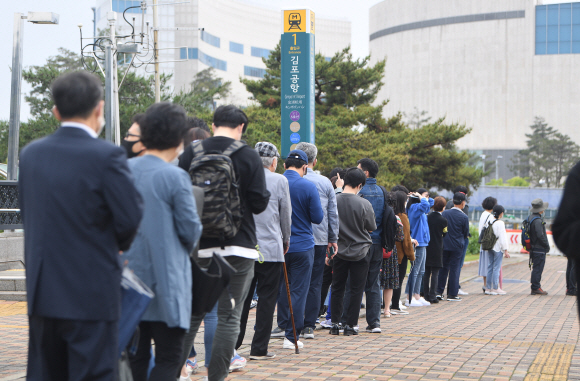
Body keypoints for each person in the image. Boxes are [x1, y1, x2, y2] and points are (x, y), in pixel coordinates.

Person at [19, 71, 143, 380]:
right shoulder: (107, 155)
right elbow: (129, 218)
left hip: (43, 290)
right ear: (99, 108)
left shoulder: (31, 154)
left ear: (55, 112)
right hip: (92, 291)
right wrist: (115, 244)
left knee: (45, 373)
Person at [178, 105, 270, 381]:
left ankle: (175, 371)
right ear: (241, 127)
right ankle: (215, 377)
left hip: (199, 246)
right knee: (229, 316)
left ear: (213, 123)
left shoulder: (191, 152)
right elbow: (258, 203)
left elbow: (181, 196)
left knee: (193, 314)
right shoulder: (247, 155)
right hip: (239, 246)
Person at [122, 103, 201, 381]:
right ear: (179, 138)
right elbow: (190, 231)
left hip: (127, 282)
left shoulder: (121, 170)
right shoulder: (174, 176)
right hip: (166, 283)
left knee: (135, 356)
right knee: (170, 358)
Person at [235, 142, 291, 360]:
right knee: (267, 300)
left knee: (242, 299)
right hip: (271, 247)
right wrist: (286, 239)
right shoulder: (280, 180)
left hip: (244, 247)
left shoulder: (241, 177)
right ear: (274, 162)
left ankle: (233, 345)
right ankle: (259, 349)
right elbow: (285, 214)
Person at [274, 149, 323, 349]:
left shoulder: (275, 183)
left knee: (280, 290)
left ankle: (281, 325)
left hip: (278, 245)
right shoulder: (308, 186)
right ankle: (291, 335)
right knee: (298, 290)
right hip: (302, 245)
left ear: (284, 165)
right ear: (305, 166)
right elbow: (318, 218)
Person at [342, 158, 394, 333]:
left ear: (365, 173)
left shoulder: (359, 191)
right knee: (373, 283)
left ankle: (348, 320)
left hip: (358, 244)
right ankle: (374, 323)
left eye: (358, 169)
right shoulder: (382, 191)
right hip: (378, 243)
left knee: (353, 284)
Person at [295, 142, 339, 340]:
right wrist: (333, 238)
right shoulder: (324, 182)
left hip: (294, 238)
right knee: (315, 282)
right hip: (320, 239)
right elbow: (332, 213)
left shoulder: (289, 180)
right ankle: (309, 325)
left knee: (294, 282)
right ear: (314, 161)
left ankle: (290, 323)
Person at [328, 168, 377, 336]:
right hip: (360, 251)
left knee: (337, 287)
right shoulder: (364, 204)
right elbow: (371, 227)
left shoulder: (334, 200)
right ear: (360, 185)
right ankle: (351, 325)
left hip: (339, 250)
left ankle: (335, 323)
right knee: (356, 289)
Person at [553, 161, 580, 312]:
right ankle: (571, 287)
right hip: (574, 248)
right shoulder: (578, 174)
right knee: (572, 266)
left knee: (571, 266)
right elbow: (562, 231)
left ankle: (570, 287)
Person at [436, 192, 470, 301]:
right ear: (463, 203)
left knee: (443, 268)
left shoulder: (445, 213)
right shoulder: (464, 217)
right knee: (455, 269)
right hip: (457, 246)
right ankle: (452, 294)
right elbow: (466, 233)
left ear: (453, 201)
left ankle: (439, 291)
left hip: (445, 244)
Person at [405, 188, 434, 306]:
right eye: (424, 196)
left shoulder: (421, 208)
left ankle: (416, 295)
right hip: (417, 242)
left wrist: (421, 196)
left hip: (423, 242)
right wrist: (420, 197)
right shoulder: (414, 208)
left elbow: (431, 202)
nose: (427, 198)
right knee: (415, 271)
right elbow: (426, 204)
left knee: (421, 270)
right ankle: (409, 297)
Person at [390, 189, 415, 315]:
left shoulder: (389, 214)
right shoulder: (403, 217)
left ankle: (387, 304)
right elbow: (406, 239)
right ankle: (395, 305)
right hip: (400, 254)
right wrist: (411, 255)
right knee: (398, 280)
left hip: (389, 251)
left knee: (389, 280)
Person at [380, 192, 404, 318]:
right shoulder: (396, 218)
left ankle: (375, 306)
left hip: (378, 249)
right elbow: (400, 237)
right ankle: (387, 309)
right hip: (390, 251)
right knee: (389, 282)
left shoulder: (378, 215)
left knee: (376, 280)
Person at [446, 186, 470, 296]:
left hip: (446, 241)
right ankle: (454, 290)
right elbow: (465, 231)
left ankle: (439, 291)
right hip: (459, 241)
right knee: (456, 267)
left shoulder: (447, 208)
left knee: (444, 267)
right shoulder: (463, 213)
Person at [424, 197, 448, 303]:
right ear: (443, 207)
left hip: (427, 246)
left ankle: (425, 294)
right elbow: (445, 233)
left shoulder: (427, 217)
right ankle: (433, 295)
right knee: (435, 273)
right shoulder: (443, 220)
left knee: (426, 272)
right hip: (438, 247)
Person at [526, 199, 551, 295]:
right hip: (539, 248)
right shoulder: (538, 221)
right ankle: (536, 287)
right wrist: (546, 246)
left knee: (536, 267)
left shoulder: (530, 218)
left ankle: (535, 286)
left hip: (533, 247)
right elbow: (541, 235)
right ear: (540, 210)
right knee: (538, 268)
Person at [485, 204, 510, 295]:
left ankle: (488, 288)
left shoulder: (489, 220)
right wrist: (505, 250)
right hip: (497, 248)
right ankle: (495, 287)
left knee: (490, 266)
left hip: (489, 246)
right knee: (496, 267)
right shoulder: (500, 223)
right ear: (501, 213)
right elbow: (502, 237)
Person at [478, 197, 497, 293]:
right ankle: (488, 286)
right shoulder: (490, 216)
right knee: (489, 264)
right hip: (489, 244)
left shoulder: (483, 214)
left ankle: (485, 284)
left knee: (485, 264)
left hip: (483, 243)